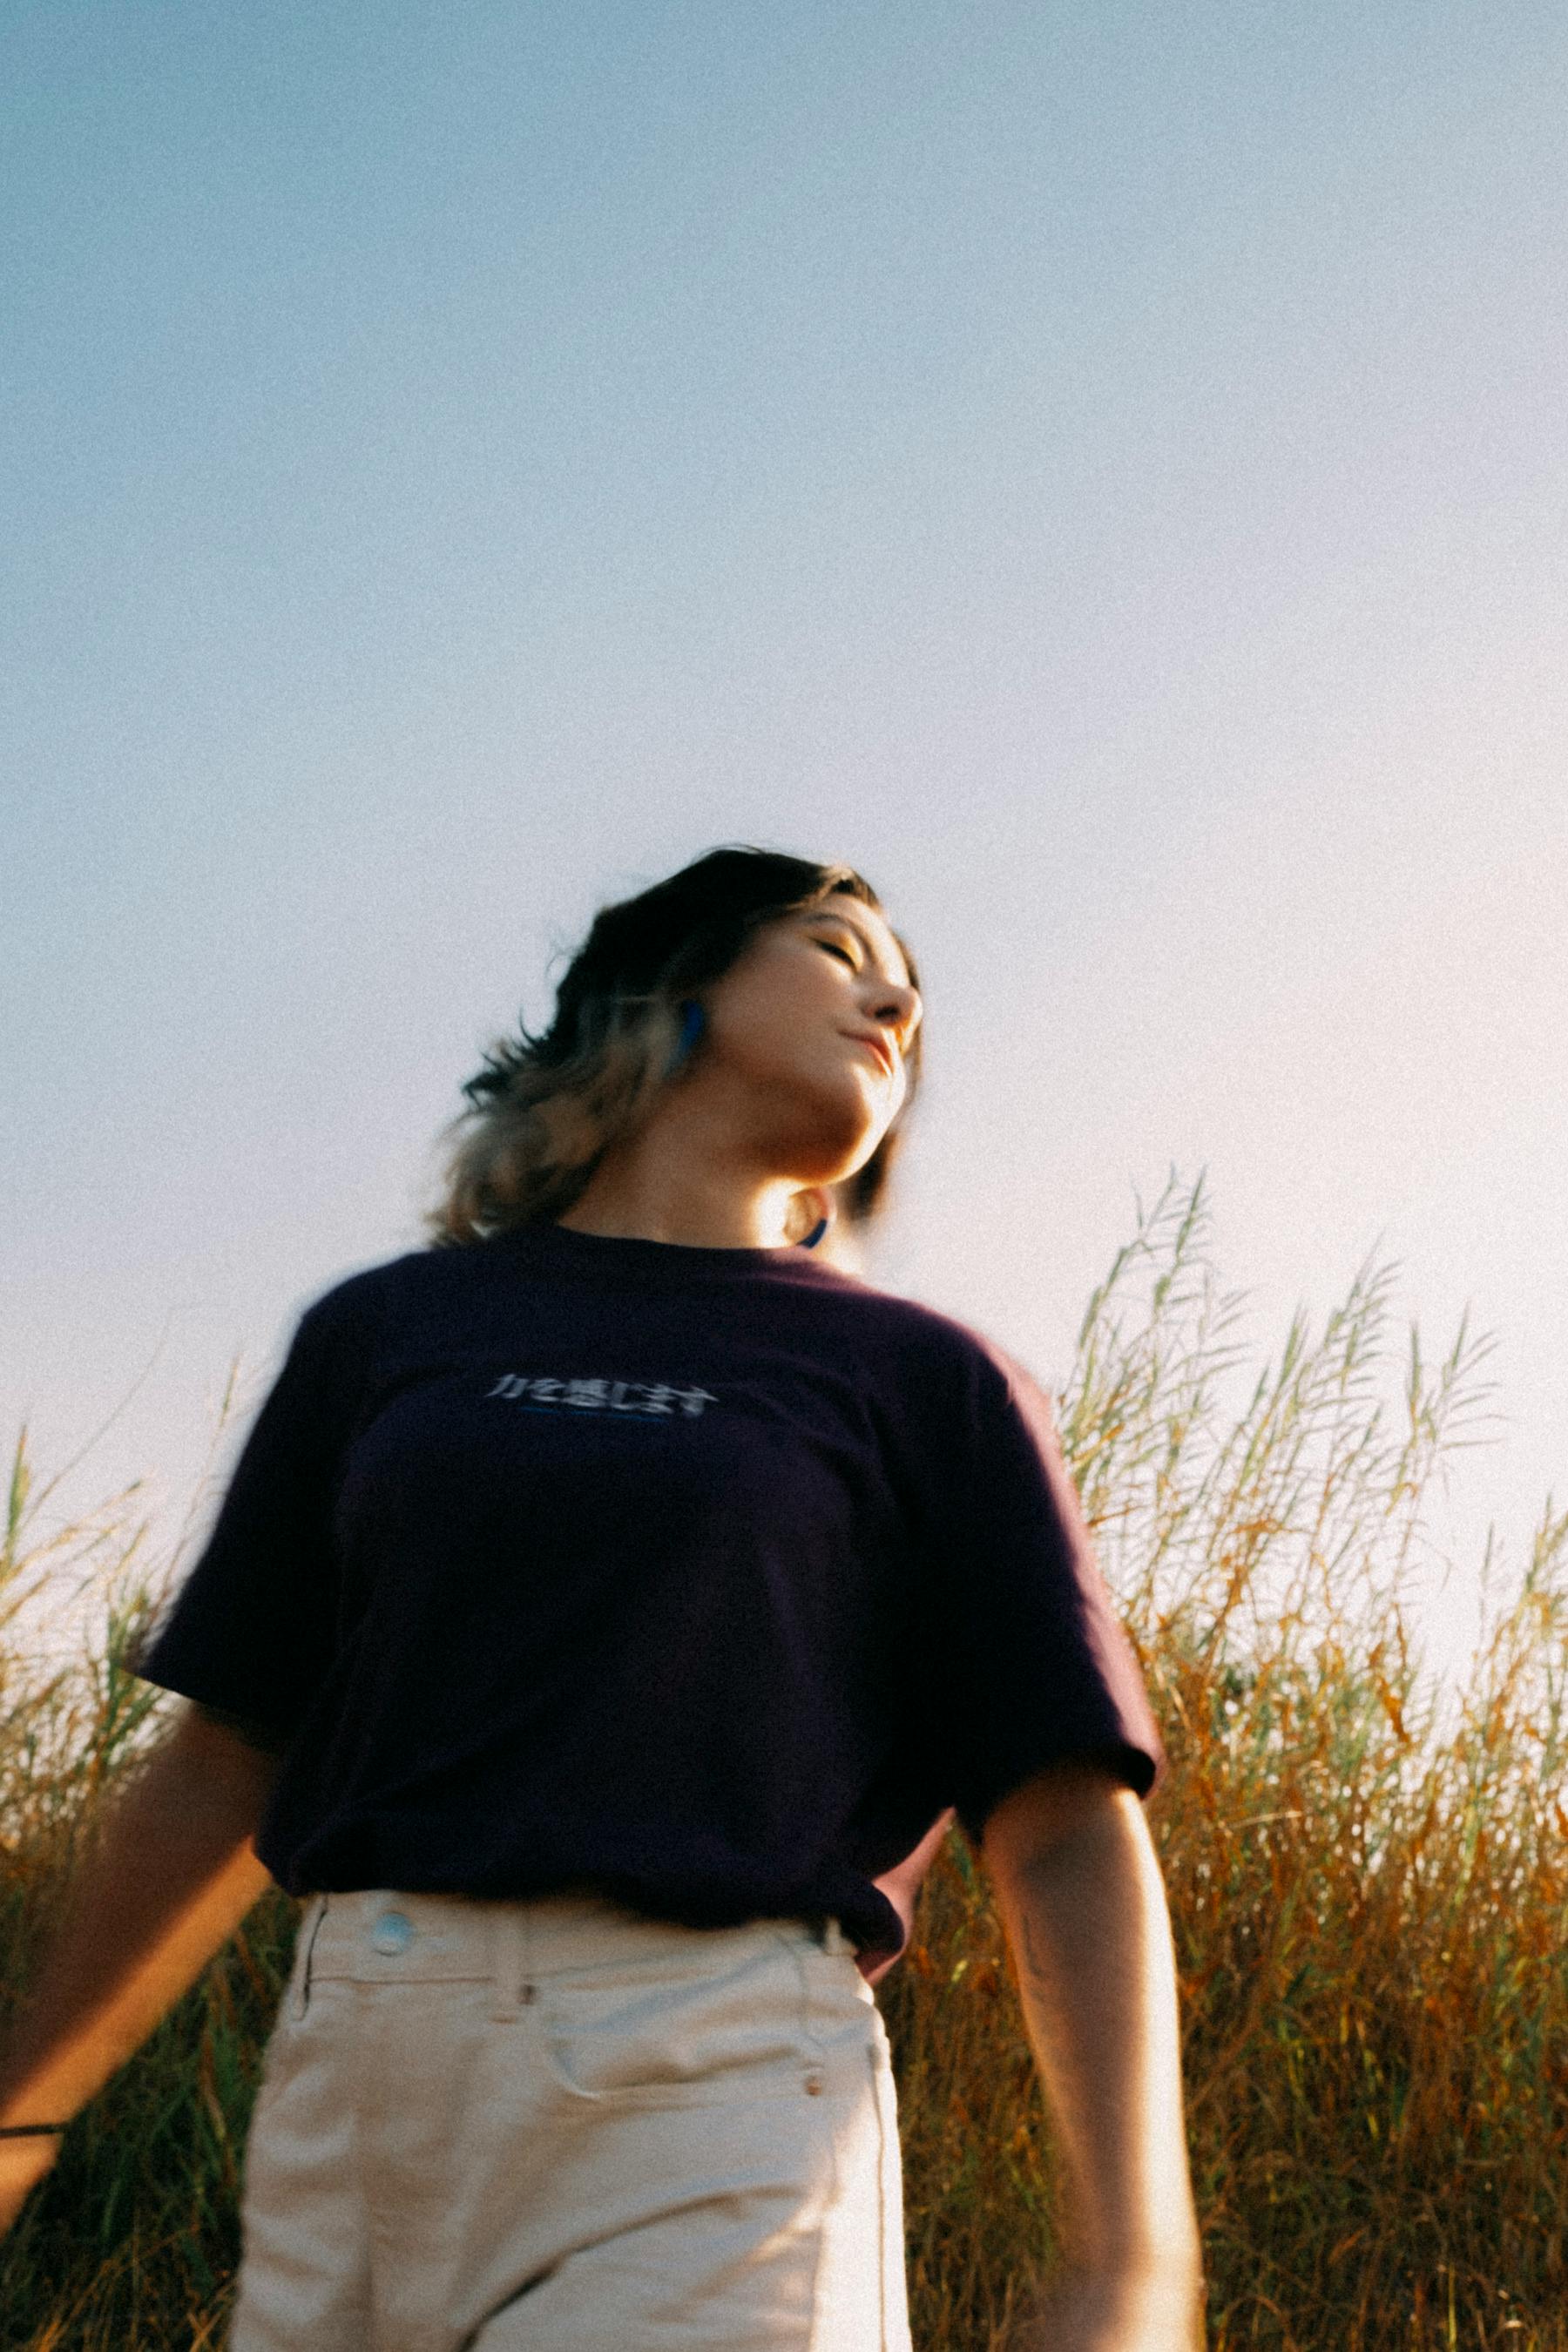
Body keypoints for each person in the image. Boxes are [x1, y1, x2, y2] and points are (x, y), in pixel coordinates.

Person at [0, 846, 1203, 2350]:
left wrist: (1131, 2259)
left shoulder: (922, 1381)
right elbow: (231, 1752)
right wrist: (16, 2119)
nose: (895, 998)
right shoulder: (390, 1333)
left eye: (910, 991)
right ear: (670, 992)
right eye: (838, 948)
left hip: (712, 2098)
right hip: (353, 2091)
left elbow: (1069, 1817)